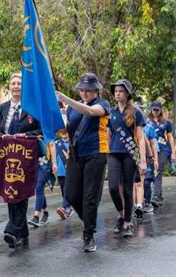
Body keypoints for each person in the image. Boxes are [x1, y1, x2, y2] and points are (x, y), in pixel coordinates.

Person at [55, 73, 110, 252]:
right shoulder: (72, 109)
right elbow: (67, 131)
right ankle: (88, 222)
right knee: (70, 195)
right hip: (75, 155)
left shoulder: (102, 104)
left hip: (96, 154)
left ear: (96, 91)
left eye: (88, 90)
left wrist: (65, 98)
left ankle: (89, 235)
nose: (84, 93)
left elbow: (90, 112)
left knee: (89, 197)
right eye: (82, 90)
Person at [0, 72, 42, 249]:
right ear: (9, 87)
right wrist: (2, 136)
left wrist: (25, 135)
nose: (16, 86)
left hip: (25, 157)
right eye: (13, 83)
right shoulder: (2, 108)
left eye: (19, 83)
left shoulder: (32, 107)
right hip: (6, 156)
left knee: (22, 190)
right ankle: (23, 232)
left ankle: (11, 231)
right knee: (10, 191)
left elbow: (40, 131)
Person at [107, 79, 147, 237]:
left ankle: (128, 222)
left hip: (130, 154)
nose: (117, 94)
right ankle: (121, 214)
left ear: (127, 93)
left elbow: (141, 138)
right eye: (116, 91)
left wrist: (142, 160)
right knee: (113, 187)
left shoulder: (136, 112)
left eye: (121, 91)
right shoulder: (111, 112)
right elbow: (109, 135)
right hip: (114, 153)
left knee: (128, 189)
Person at [148, 100, 175, 207]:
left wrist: (173, 152)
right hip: (150, 150)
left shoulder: (166, 123)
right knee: (150, 173)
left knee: (158, 171)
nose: (155, 112)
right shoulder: (147, 121)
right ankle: (159, 194)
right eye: (153, 109)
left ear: (160, 111)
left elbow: (170, 137)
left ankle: (156, 196)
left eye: (157, 110)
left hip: (163, 149)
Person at [133, 102, 158, 216]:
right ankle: (136, 204)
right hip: (131, 156)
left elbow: (151, 143)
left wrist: (153, 158)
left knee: (144, 182)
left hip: (143, 157)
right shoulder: (128, 125)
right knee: (134, 183)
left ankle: (145, 203)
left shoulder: (148, 127)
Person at [28, 140, 57, 227]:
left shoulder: (45, 130)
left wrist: (54, 162)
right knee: (38, 188)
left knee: (39, 187)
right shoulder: (30, 131)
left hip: (45, 163)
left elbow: (51, 145)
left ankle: (36, 216)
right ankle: (46, 213)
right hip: (35, 164)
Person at [55, 129, 74, 219]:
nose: (63, 134)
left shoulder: (71, 143)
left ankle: (64, 207)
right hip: (60, 172)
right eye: (61, 132)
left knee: (67, 190)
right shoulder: (56, 143)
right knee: (63, 190)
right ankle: (67, 208)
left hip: (69, 171)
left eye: (65, 132)